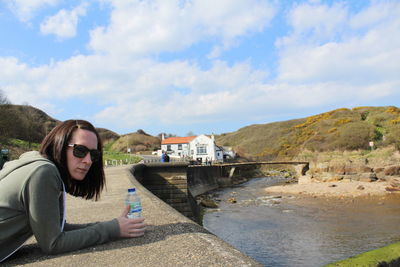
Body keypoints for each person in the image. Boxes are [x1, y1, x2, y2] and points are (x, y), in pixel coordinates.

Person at [0, 120, 146, 262]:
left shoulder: (38, 166)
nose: (88, 160)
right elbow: (53, 243)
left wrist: (114, 224)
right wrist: (111, 230)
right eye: (80, 150)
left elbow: (58, 228)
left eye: (94, 154)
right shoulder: (43, 173)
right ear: (60, 146)